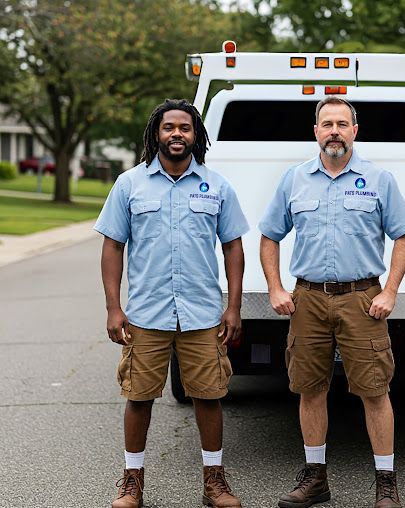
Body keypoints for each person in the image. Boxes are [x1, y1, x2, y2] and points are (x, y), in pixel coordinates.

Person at [259, 96, 405, 508]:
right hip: (307, 298)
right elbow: (269, 235)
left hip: (361, 299)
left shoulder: (379, 180)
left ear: (355, 131)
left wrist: (390, 291)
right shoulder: (294, 180)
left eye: (342, 124)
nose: (334, 131)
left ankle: (386, 485)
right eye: (326, 123)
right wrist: (276, 288)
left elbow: (403, 236)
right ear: (315, 131)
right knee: (310, 389)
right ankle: (315, 480)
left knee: (375, 391)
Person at [94, 99, 249, 508]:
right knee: (139, 396)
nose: (176, 134)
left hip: (201, 313)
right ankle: (132, 482)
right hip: (146, 312)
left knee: (208, 395)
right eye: (169, 128)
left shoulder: (216, 186)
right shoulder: (129, 184)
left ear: (195, 135)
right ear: (156, 134)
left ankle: (214, 482)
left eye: (184, 128)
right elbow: (113, 246)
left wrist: (233, 307)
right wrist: (114, 307)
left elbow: (233, 246)